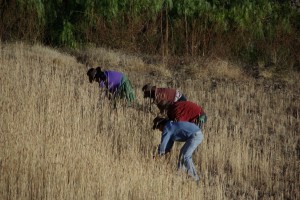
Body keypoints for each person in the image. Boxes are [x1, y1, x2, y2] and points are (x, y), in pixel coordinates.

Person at [152, 117, 204, 183]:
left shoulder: (167, 128)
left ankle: (196, 179)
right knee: (182, 154)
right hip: (195, 134)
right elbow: (168, 145)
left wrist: (158, 155)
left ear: (161, 124)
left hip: (195, 135)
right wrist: (163, 152)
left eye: (158, 128)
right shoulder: (171, 126)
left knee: (185, 156)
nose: (159, 130)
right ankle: (180, 176)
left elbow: (163, 144)